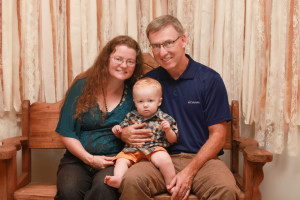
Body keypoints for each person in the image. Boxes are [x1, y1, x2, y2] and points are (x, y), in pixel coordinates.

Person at [119, 15, 239, 200]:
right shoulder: (148, 82)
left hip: (203, 161)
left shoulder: (210, 80)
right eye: (156, 46)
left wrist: (189, 172)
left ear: (183, 40)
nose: (162, 52)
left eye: (168, 43)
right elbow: (131, 120)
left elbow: (219, 135)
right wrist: (124, 133)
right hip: (155, 157)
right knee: (132, 180)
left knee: (225, 188)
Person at [54, 35, 144, 200]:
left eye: (130, 61)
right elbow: (66, 131)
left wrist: (126, 133)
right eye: (118, 59)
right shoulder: (82, 86)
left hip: (114, 162)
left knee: (104, 190)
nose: (124, 65)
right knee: (70, 191)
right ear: (106, 59)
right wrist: (89, 159)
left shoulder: (135, 93)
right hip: (77, 160)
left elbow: (140, 129)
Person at [104, 77, 178, 191]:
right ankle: (118, 178)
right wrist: (118, 129)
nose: (145, 105)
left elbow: (173, 140)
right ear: (135, 102)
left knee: (165, 159)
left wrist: (168, 131)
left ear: (159, 101)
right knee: (121, 160)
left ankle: (171, 184)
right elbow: (123, 129)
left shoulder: (165, 119)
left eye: (150, 101)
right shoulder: (131, 116)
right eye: (141, 101)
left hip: (154, 149)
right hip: (132, 150)